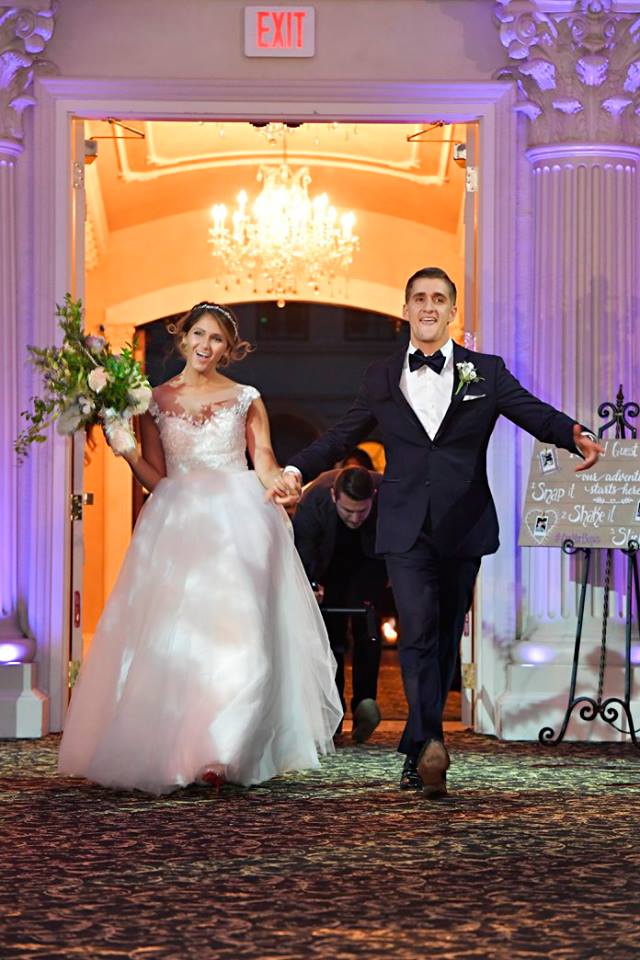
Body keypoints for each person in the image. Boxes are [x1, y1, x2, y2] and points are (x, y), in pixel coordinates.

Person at [270, 267, 603, 798]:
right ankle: (430, 749)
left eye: (439, 299)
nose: (428, 307)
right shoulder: (380, 377)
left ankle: (417, 744)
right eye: (419, 298)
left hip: (464, 525)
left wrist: (572, 433)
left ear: (452, 312)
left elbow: (528, 411)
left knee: (446, 635)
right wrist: (295, 471)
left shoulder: (486, 372)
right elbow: (341, 434)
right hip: (403, 527)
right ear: (406, 310)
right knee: (419, 631)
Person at [58, 301, 342, 795]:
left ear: (229, 350)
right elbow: (156, 478)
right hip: (178, 520)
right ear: (183, 336)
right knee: (182, 638)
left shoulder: (247, 397)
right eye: (199, 335)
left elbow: (265, 459)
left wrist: (281, 483)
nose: (206, 346)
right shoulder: (151, 400)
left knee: (244, 634)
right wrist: (124, 451)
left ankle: (226, 749)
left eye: (217, 340)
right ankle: (187, 746)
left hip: (240, 519)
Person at [293, 467, 387, 742]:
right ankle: (333, 712)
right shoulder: (313, 501)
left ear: (374, 497)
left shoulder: (389, 493)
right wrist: (309, 585)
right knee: (330, 637)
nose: (355, 518)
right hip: (327, 565)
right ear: (334, 496)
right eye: (348, 511)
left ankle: (364, 703)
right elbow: (302, 551)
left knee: (368, 629)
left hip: (369, 561)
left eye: (362, 511)